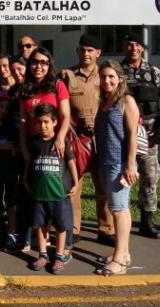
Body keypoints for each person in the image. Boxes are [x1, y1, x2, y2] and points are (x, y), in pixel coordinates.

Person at [120, 32, 160, 239]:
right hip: (122, 137)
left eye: (137, 45)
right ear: (124, 47)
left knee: (150, 178)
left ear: (142, 48)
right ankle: (119, 220)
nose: (133, 48)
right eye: (129, 45)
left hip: (150, 137)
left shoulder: (153, 72)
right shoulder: (116, 72)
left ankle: (147, 221)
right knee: (121, 178)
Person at [60, 34, 114, 246]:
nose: (86, 54)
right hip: (76, 139)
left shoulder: (106, 76)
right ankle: (74, 228)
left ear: (98, 53)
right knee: (75, 185)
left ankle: (106, 229)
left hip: (101, 139)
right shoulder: (67, 75)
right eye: (82, 50)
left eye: (90, 50)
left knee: (103, 186)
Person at [93, 60, 140, 276]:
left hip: (120, 163)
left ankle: (119, 260)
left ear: (120, 78)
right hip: (105, 161)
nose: (107, 80)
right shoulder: (105, 101)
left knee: (119, 210)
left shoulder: (126, 101)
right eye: (103, 77)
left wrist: (130, 166)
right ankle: (124, 253)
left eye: (111, 76)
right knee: (117, 208)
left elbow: (132, 136)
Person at [25, 104, 77, 274]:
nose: (43, 126)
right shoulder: (34, 143)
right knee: (40, 225)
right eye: (40, 122)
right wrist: (26, 179)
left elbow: (70, 161)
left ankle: (60, 256)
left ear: (55, 122)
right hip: (39, 193)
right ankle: (43, 254)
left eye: (47, 122)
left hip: (58, 194)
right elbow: (29, 163)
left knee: (61, 226)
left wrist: (75, 182)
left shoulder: (62, 141)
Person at [0, 96, 20, 249]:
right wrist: (3, 147)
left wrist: (14, 150)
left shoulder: (13, 127)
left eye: (7, 108)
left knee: (11, 201)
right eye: (1, 106)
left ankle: (11, 232)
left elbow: (19, 146)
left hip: (11, 168)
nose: (3, 110)